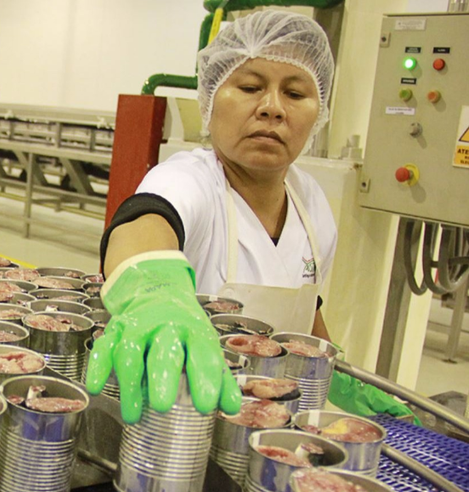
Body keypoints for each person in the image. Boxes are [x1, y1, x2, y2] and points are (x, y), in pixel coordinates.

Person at [87, 11, 340, 424]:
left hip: (275, 429)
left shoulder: (311, 202)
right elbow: (144, 223)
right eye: (250, 87)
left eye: (295, 93)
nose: (273, 108)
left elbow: (306, 306)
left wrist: (341, 372)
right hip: (179, 418)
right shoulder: (191, 179)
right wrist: (155, 292)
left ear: (320, 110)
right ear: (209, 99)